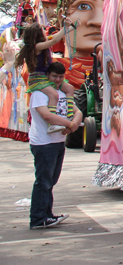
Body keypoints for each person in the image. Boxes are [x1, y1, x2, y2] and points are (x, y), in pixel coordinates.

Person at [29, 60, 81, 229]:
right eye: (54, 76)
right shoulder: (39, 94)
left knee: (50, 181)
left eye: (61, 77)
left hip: (58, 142)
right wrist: (69, 124)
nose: (58, 80)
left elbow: (78, 112)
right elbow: (47, 116)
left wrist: (72, 125)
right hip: (43, 144)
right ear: (47, 76)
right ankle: (38, 218)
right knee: (43, 182)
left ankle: (47, 214)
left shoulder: (63, 94)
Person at [15, 23, 75, 132]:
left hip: (46, 77)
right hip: (37, 79)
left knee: (70, 88)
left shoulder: (43, 42)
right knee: (53, 95)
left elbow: (56, 37)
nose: (45, 30)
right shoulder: (37, 46)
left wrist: (72, 27)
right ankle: (52, 123)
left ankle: (70, 114)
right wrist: (66, 27)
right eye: (43, 29)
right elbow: (54, 41)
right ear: (38, 34)